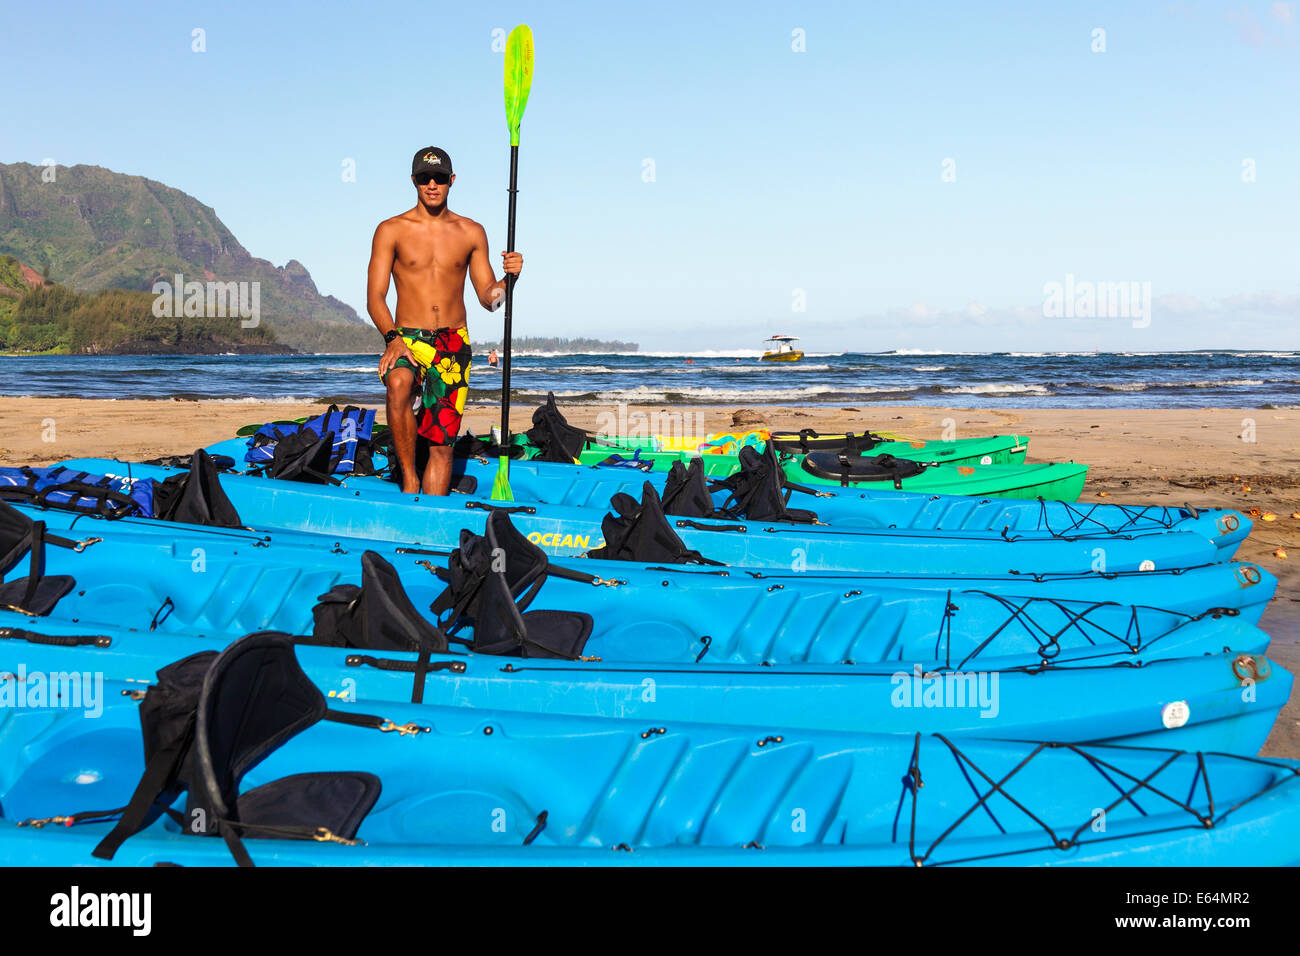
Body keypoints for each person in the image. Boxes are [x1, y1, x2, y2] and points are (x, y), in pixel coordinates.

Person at [367, 146, 523, 494]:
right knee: (398, 386)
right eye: (425, 178)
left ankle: (432, 517)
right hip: (406, 338)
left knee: (441, 446)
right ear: (414, 181)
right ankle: (408, 479)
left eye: (439, 178)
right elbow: (375, 297)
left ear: (452, 181)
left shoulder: (471, 232)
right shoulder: (391, 230)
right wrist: (392, 338)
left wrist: (509, 279)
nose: (432, 184)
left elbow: (489, 301)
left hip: (453, 344)